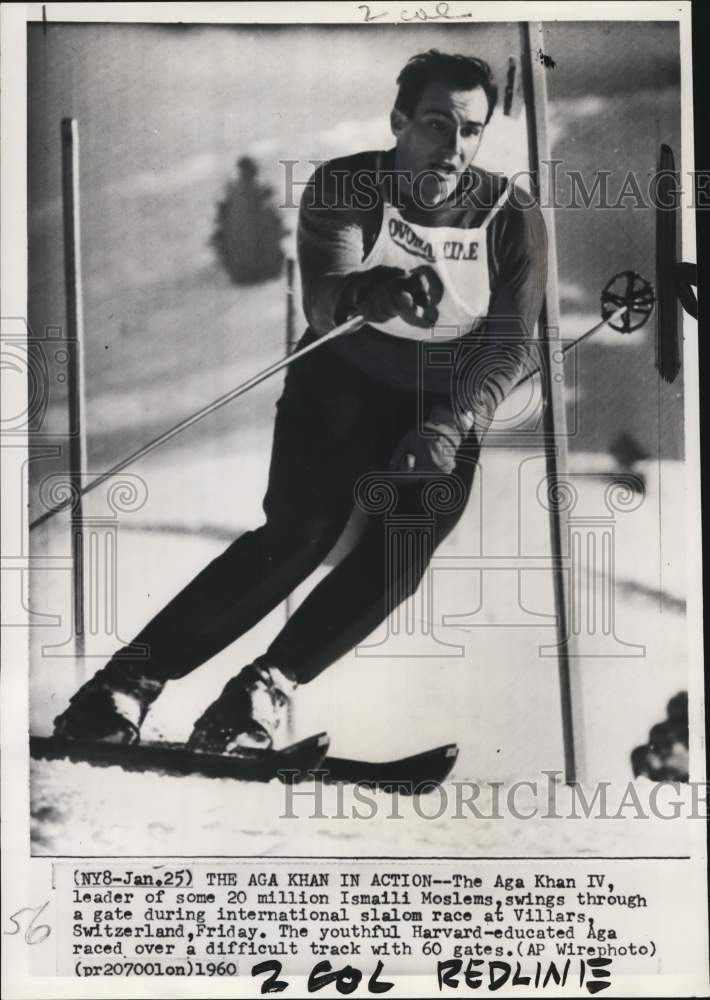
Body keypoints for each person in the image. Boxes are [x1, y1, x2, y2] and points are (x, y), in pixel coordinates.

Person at [54, 50, 547, 753]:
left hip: (441, 401)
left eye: (471, 130)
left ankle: (258, 693)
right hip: (342, 381)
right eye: (438, 125)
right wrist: (364, 295)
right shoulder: (346, 184)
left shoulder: (509, 213)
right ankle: (120, 690)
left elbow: (510, 343)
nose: (454, 147)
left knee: (403, 551)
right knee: (297, 537)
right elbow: (323, 289)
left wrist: (450, 420)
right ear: (399, 122)